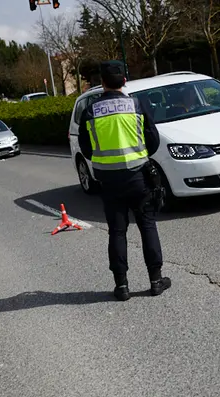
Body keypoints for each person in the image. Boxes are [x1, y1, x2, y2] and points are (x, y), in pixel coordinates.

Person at [78, 60, 172, 301]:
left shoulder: (90, 111)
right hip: (138, 176)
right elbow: (153, 141)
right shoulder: (137, 105)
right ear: (124, 81)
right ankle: (156, 281)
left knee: (117, 232)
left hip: (109, 181)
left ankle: (121, 286)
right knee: (147, 226)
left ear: (102, 83)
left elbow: (86, 149)